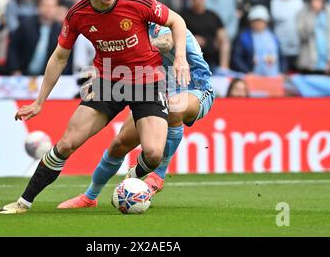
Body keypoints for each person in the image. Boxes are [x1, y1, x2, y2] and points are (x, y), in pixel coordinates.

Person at [0, 0, 190, 214]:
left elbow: (176, 21)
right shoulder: (78, 14)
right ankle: (24, 202)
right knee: (66, 143)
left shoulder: (137, 2)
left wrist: (180, 57)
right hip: (108, 81)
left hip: (148, 81)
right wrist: (40, 101)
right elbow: (59, 57)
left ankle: (130, 180)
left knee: (154, 154)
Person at [57, 23, 215, 208]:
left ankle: (158, 176)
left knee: (174, 107)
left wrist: (136, 47)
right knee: (119, 145)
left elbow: (167, 41)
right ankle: (89, 197)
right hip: (155, 93)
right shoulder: (123, 32)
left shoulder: (157, 24)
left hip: (196, 88)